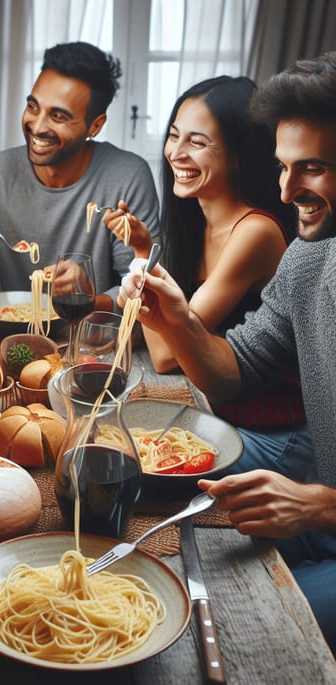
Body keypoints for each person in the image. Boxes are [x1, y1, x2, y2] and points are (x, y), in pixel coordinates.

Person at [117, 52, 336, 649]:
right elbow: (235, 371)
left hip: (320, 505)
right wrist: (180, 319)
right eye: (284, 168)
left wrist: (320, 507)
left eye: (311, 168)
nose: (288, 191)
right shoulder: (309, 256)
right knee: (163, 573)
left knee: (243, 627)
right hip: (312, 498)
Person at [104, 76, 313, 482]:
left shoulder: (255, 232)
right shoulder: (196, 222)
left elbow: (166, 356)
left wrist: (144, 256)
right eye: (174, 136)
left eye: (197, 143)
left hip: (274, 436)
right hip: (219, 414)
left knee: (125, 459)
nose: (175, 153)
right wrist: (146, 248)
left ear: (238, 155)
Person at [0, 41, 161, 311]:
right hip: (10, 333)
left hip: (89, 339)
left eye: (58, 116)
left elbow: (144, 299)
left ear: (95, 125)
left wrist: (86, 297)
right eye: (33, 107)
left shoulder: (128, 176)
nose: (37, 126)